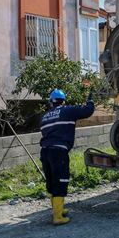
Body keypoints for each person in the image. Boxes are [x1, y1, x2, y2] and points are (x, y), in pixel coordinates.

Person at [40, 88, 95, 225]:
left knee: (52, 181)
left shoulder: (45, 116)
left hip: (45, 151)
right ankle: (58, 217)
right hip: (58, 152)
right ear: (63, 100)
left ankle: (58, 210)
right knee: (60, 181)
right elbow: (87, 111)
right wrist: (90, 100)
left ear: (51, 102)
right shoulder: (67, 110)